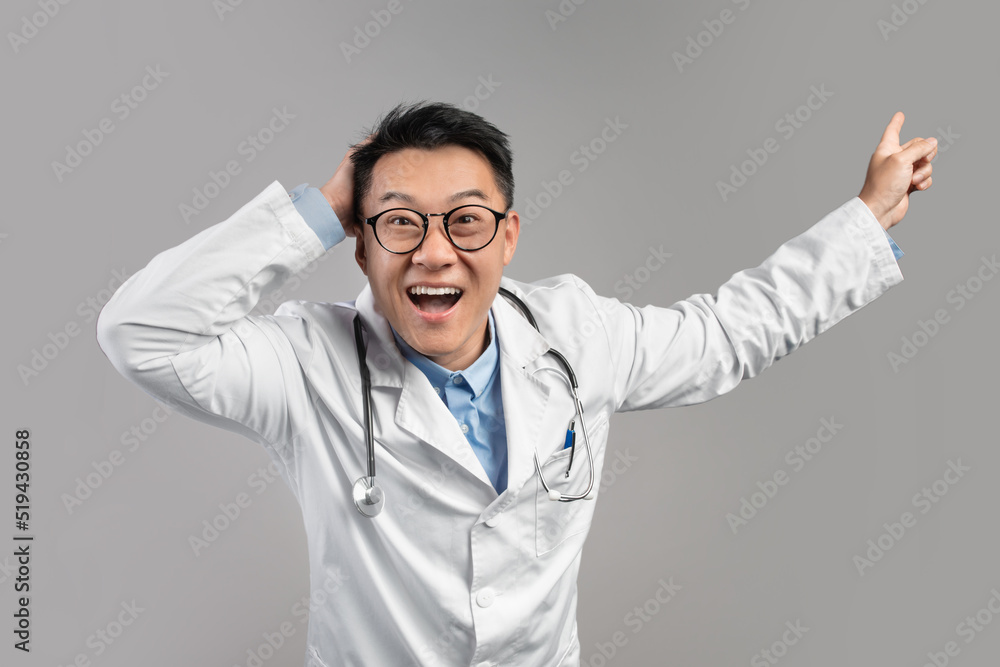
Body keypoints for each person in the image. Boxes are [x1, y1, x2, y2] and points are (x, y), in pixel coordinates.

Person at [95, 101, 936, 666]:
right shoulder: (306, 365)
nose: (433, 252)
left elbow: (725, 334)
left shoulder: (573, 333)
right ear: (359, 242)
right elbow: (140, 330)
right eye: (398, 222)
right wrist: (321, 203)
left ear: (507, 237)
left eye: (465, 220)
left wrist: (863, 217)